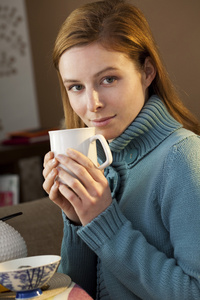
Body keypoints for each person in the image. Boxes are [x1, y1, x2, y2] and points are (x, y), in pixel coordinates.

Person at [43, 0, 200, 299]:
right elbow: (80, 292)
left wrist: (103, 221)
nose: (92, 104)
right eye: (76, 86)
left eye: (109, 79)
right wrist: (78, 219)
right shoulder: (101, 160)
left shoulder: (184, 159)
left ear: (147, 72)